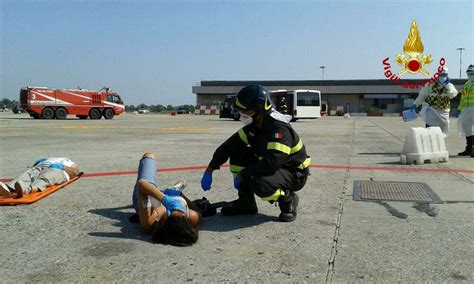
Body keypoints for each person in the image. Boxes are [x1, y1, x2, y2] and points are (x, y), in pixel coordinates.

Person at [200, 85, 310, 222]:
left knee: (259, 182)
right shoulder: (255, 127)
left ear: (258, 110)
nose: (242, 114)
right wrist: (210, 169)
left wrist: (244, 174)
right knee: (237, 152)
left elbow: (272, 163)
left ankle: (288, 200)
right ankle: (246, 203)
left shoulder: (278, 129)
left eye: (245, 111)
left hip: (293, 173)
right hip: (273, 166)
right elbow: (228, 146)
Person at [132, 152, 200, 246]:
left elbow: (142, 184)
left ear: (164, 222)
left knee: (149, 156)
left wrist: (164, 199)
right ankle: (172, 191)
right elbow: (195, 213)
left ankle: (169, 191)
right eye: (181, 212)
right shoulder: (192, 217)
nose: (177, 209)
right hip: (164, 196)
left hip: (145, 194)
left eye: (172, 212)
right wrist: (176, 197)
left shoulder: (150, 223)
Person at [0, 157, 79, 197]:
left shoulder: (68, 161)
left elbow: (75, 172)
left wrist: (63, 167)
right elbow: (34, 165)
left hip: (59, 169)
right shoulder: (47, 159)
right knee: (29, 173)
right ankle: (9, 188)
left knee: (47, 176)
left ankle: (28, 189)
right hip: (41, 165)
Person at [413, 67, 459, 135]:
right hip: (432, 110)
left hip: (444, 111)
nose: (442, 77)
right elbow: (422, 95)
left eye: (444, 75)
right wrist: (415, 104)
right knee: (429, 128)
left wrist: (448, 88)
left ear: (447, 75)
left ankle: (440, 142)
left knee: (443, 130)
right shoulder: (430, 85)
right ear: (437, 75)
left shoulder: (449, 86)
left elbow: (452, 95)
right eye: (440, 75)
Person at [456, 64, 474, 157]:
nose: (471, 75)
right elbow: (462, 98)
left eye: (472, 73)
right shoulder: (466, 84)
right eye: (469, 73)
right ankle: (469, 149)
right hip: (466, 109)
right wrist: (459, 109)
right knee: (467, 129)